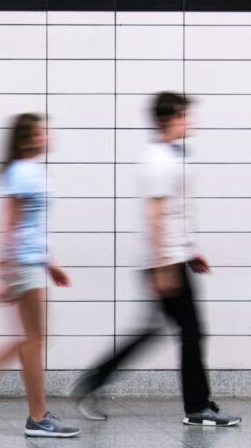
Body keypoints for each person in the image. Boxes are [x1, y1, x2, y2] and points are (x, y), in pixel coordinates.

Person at [70, 92, 240, 427]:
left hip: (172, 258)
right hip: (164, 262)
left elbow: (175, 214)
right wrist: (165, 266)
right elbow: (156, 215)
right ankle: (197, 407)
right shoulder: (159, 160)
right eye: (185, 115)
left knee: (158, 331)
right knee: (191, 332)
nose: (190, 121)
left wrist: (189, 251)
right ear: (169, 118)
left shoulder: (173, 155)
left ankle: (94, 382)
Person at [0, 113, 78, 438]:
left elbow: (33, 228)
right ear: (26, 140)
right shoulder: (22, 172)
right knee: (33, 341)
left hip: (31, 264)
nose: (48, 135)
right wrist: (4, 272)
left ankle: (37, 414)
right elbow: (9, 223)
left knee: (31, 340)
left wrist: (49, 264)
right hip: (23, 266)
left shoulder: (33, 172)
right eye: (42, 132)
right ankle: (38, 417)